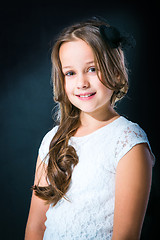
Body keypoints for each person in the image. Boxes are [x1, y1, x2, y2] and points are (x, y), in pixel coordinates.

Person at [25, 17, 155, 240]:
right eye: (70, 73)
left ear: (115, 72)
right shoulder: (52, 140)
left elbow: (126, 235)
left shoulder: (127, 142)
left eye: (92, 69)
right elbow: (35, 227)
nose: (81, 82)